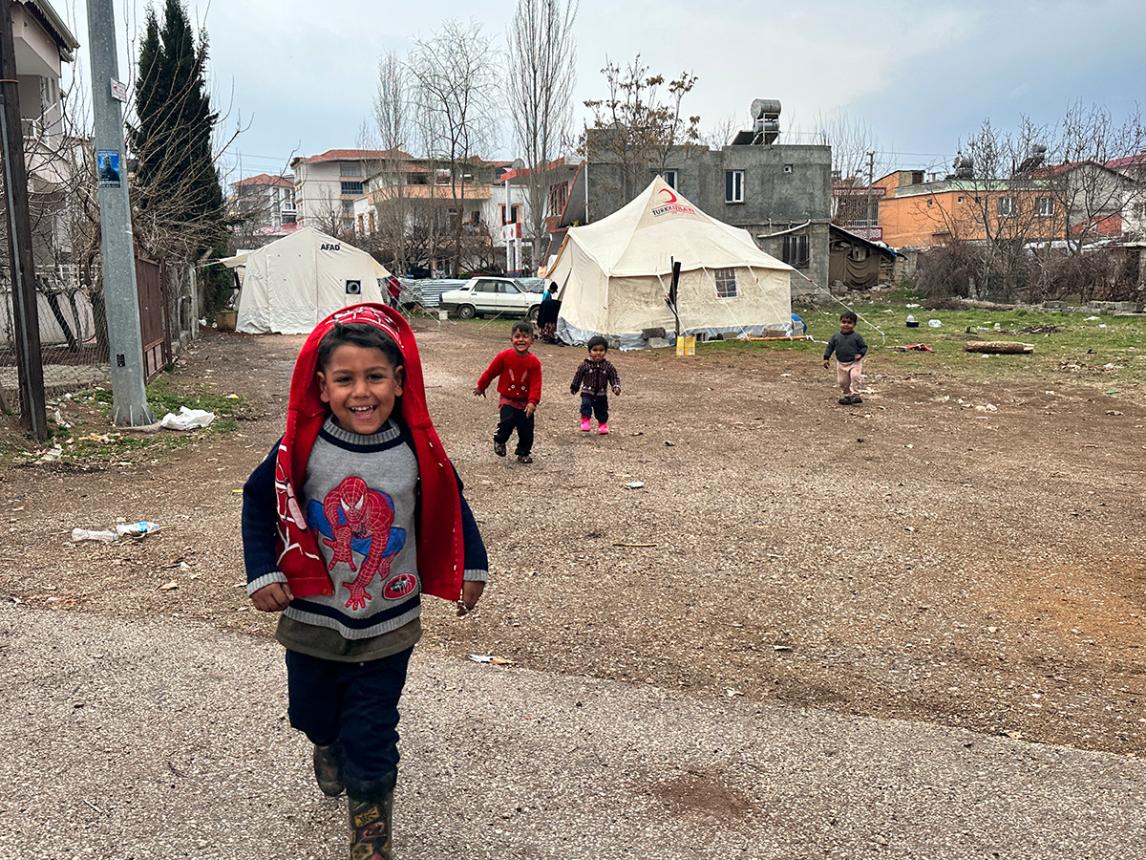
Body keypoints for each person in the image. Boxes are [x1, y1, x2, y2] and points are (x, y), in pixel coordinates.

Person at [241, 303, 488, 860]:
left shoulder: (418, 450)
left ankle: (371, 839)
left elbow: (451, 504)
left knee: (373, 731)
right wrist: (262, 569)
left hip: (388, 619)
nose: (361, 392)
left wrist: (470, 566)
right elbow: (258, 500)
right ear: (322, 387)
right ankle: (325, 743)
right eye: (345, 379)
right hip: (312, 615)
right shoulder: (300, 446)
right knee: (311, 713)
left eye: (375, 377)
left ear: (399, 382)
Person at [473, 321, 542, 464]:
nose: (521, 340)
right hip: (508, 399)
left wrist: (532, 401)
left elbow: (536, 384)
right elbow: (491, 372)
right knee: (507, 422)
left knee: (526, 430)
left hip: (525, 402)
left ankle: (523, 453)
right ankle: (499, 440)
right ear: (511, 339)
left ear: (532, 341)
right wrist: (481, 386)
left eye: (525, 336)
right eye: (517, 336)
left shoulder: (534, 363)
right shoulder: (503, 357)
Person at [570, 335, 621, 434]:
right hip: (587, 392)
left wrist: (615, 386)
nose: (598, 353)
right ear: (589, 351)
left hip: (601, 393)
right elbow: (578, 376)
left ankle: (602, 424)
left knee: (602, 409)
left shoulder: (608, 366)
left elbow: (614, 376)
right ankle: (585, 420)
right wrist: (574, 387)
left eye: (601, 350)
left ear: (605, 351)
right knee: (585, 405)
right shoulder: (584, 365)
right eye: (595, 350)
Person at [823, 311, 868, 405]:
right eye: (844, 322)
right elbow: (830, 347)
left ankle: (855, 394)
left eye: (849, 323)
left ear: (854, 325)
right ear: (840, 323)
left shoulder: (857, 337)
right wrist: (826, 358)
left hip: (854, 362)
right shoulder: (836, 337)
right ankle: (847, 396)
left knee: (855, 376)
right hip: (841, 363)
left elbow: (864, 347)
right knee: (842, 381)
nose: (846, 325)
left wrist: (860, 354)